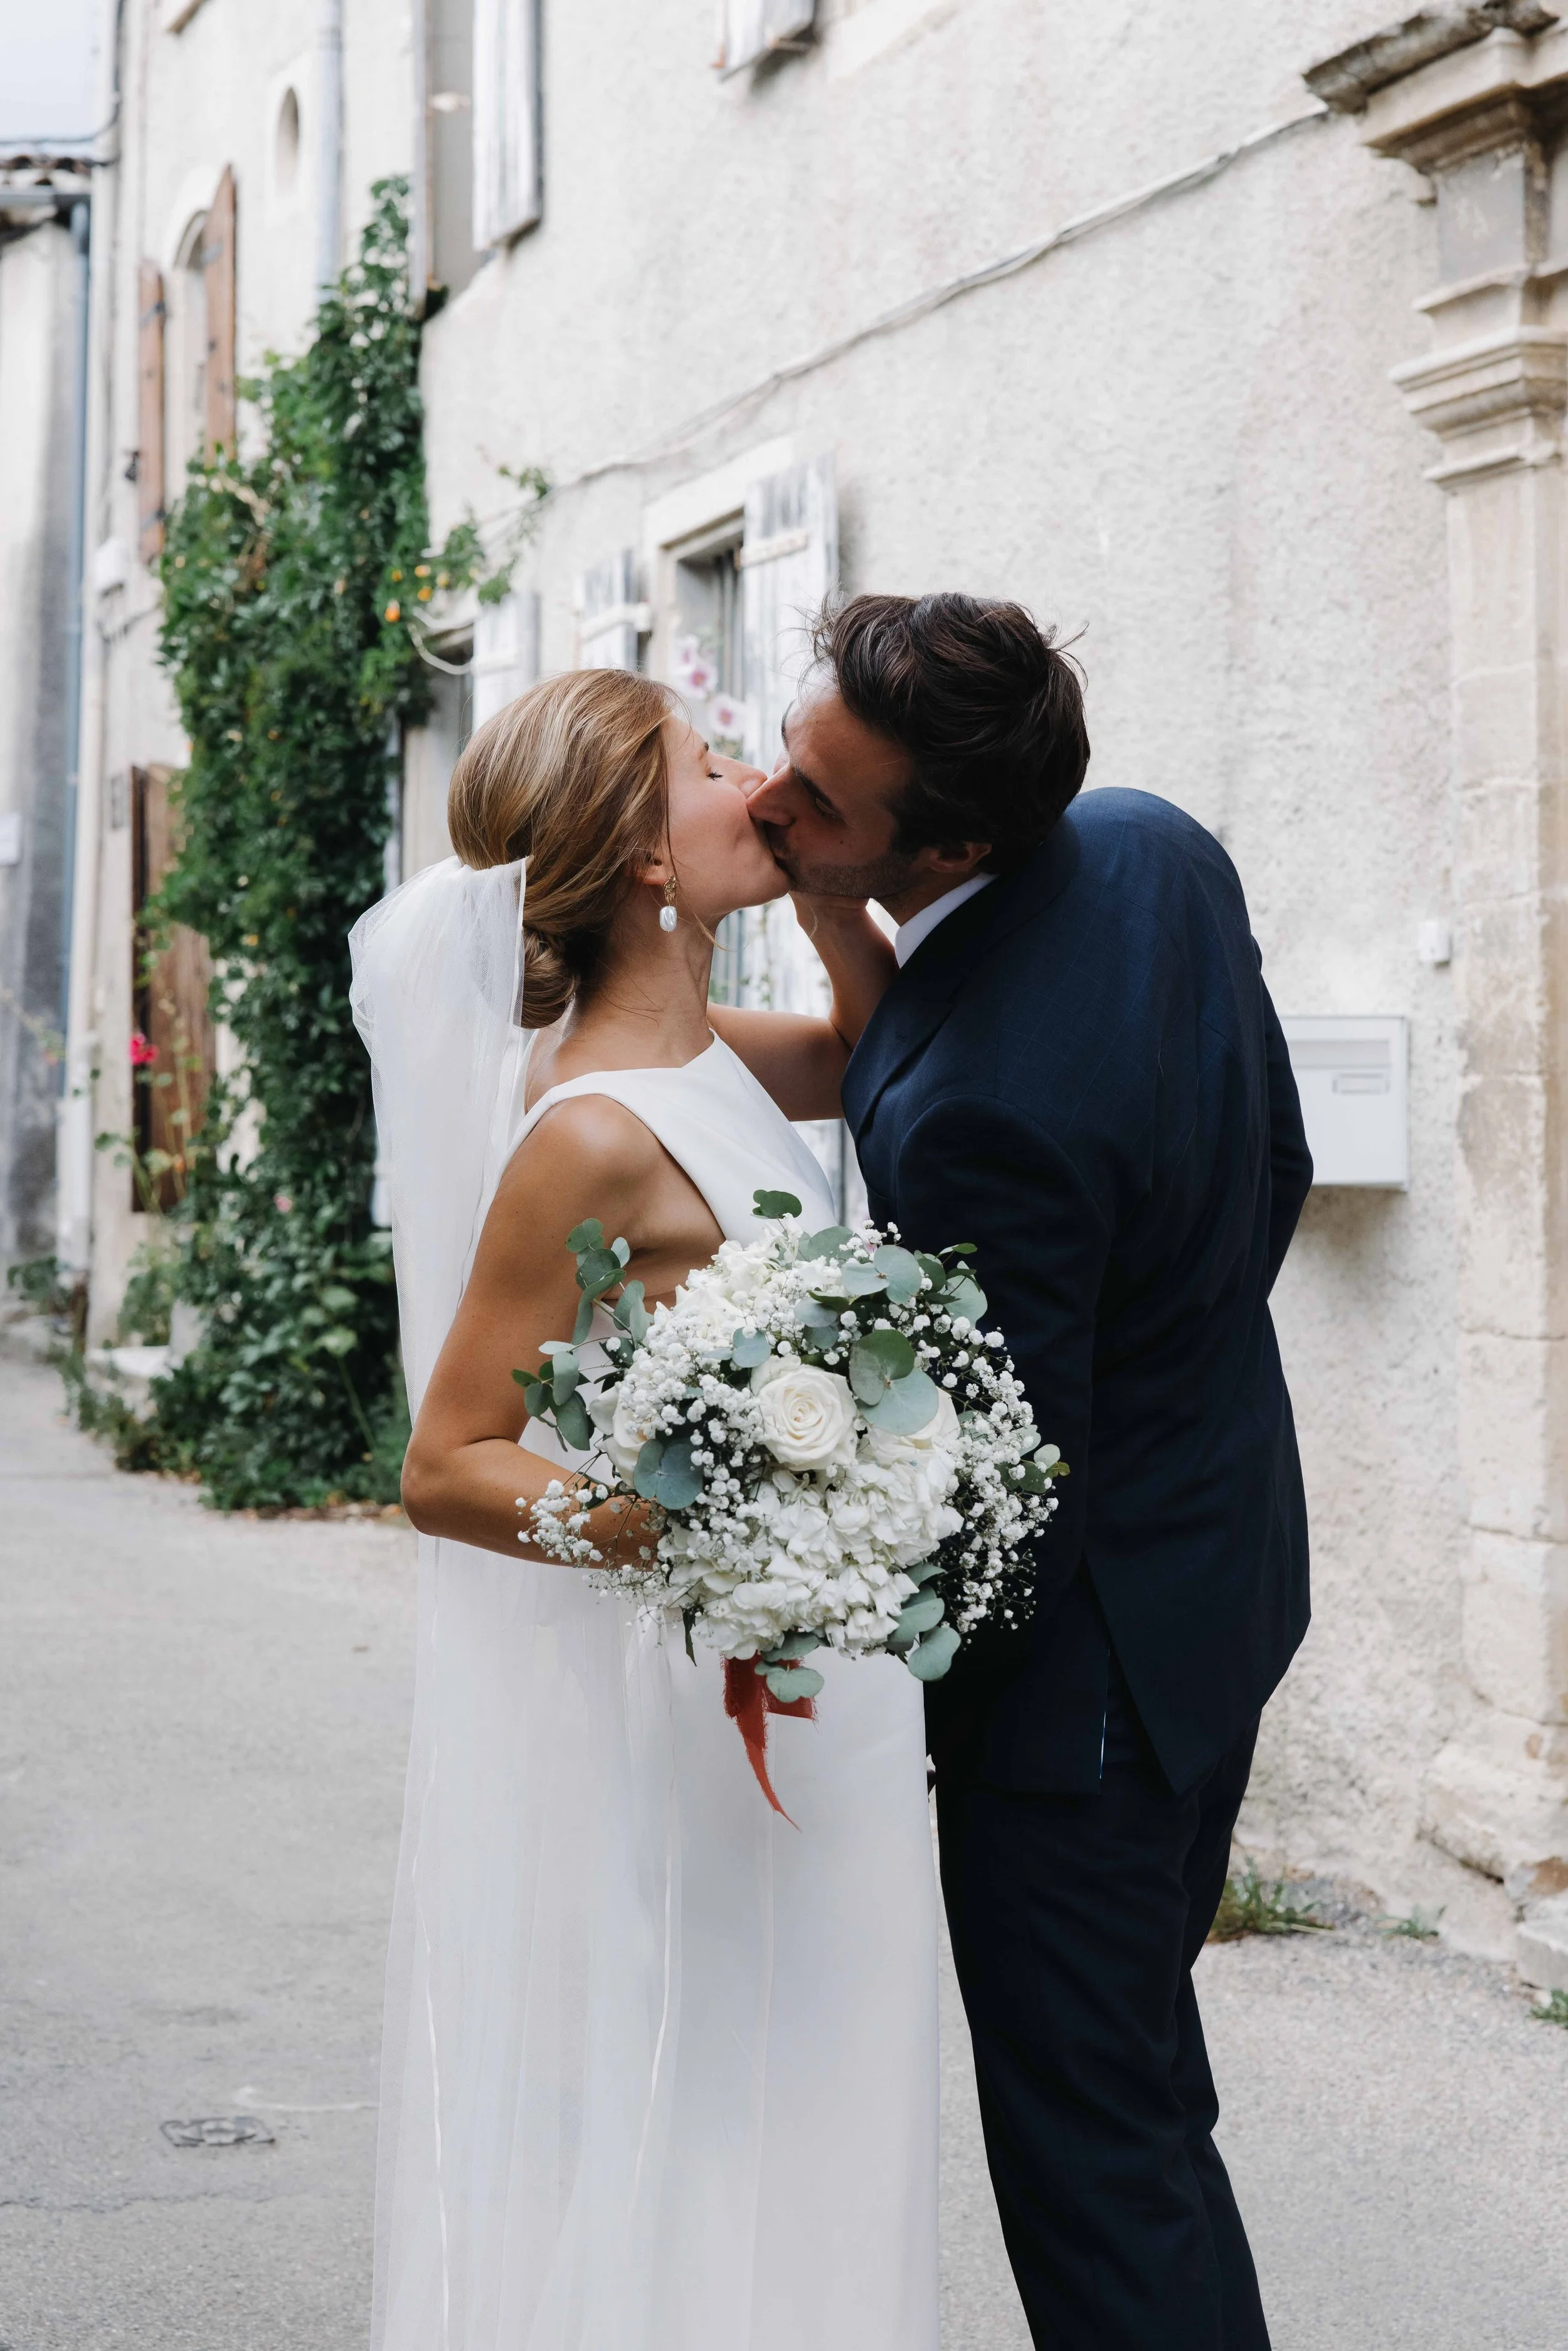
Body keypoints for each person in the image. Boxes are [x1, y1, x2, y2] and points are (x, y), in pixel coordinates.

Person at [748, 592, 1313, 2351]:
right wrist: (846, 908)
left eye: (819, 808)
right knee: (1140, 2084)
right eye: (786, 748)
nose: (771, 806)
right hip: (1224, 1560)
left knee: (1090, 2149)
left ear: (955, 838)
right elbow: (1271, 1161)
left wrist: (874, 1684)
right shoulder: (1148, 853)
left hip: (1085, 1698)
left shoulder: (983, 1113)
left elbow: (1000, 1479)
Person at [349, 669, 938, 2351]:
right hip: (732, 1690)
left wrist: (830, 885)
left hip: (837, 1682)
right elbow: (448, 1460)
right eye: (712, 764)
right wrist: (706, 1526)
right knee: (742, 2090)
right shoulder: (588, 1127)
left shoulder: (706, 1059)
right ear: (641, 860)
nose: (752, 778)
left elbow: (857, 1039)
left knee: (840, 2082)